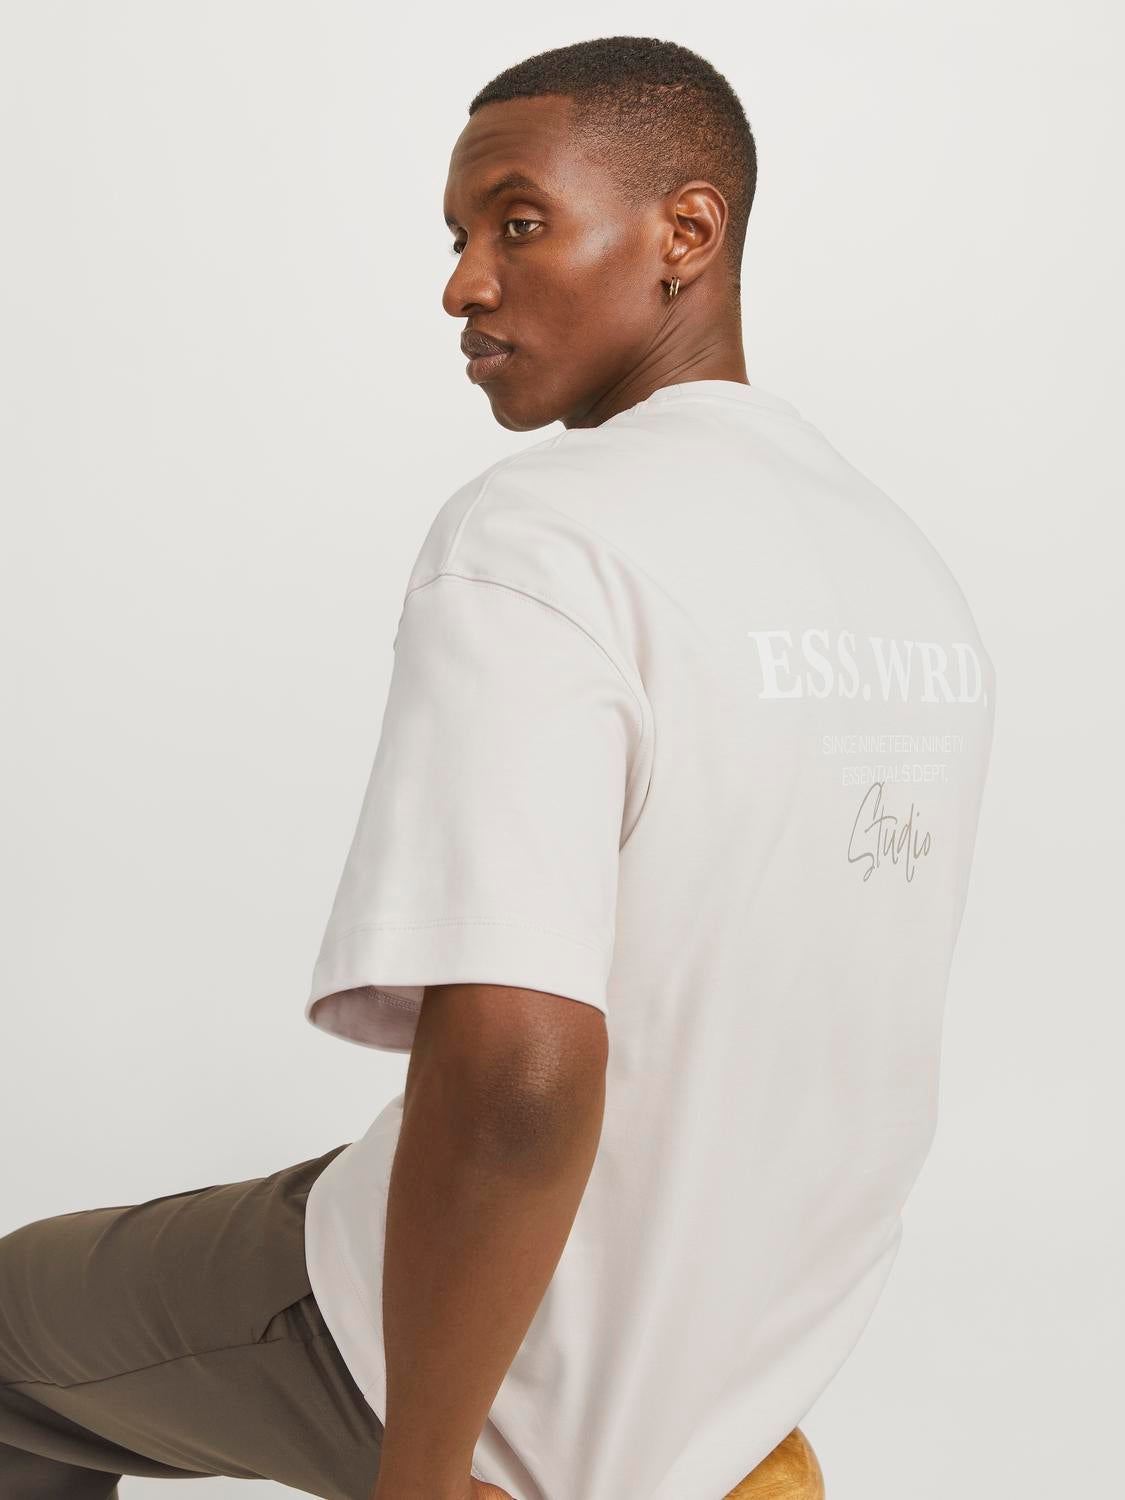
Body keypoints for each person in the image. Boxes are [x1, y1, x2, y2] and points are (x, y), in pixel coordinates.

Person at [0, 33, 997, 1500]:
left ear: (686, 232)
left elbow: (518, 1073)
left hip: (503, 1372)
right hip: (740, 1367)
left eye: (518, 223)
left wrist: (426, 1470)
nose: (464, 284)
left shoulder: (544, 538)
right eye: (459, 237)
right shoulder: (903, 572)